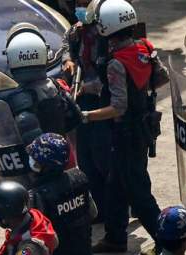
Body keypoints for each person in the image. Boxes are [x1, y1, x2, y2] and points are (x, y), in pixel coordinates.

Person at [82, 0, 168, 254]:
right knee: (115, 185)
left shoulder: (116, 63)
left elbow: (118, 106)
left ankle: (166, 243)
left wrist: (85, 116)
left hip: (125, 133)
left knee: (139, 195)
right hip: (143, 127)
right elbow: (160, 77)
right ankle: (116, 237)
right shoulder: (144, 49)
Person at [62, 0, 112, 217]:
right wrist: (68, 61)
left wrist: (87, 86)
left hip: (103, 103)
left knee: (104, 159)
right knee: (86, 159)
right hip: (82, 102)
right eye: (77, 3)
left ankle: (118, 207)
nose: (79, 8)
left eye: (85, 3)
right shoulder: (77, 31)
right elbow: (66, 44)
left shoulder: (106, 34)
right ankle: (101, 209)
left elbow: (113, 77)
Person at [2, 23, 82, 146]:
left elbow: (28, 129)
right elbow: (76, 115)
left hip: (44, 158)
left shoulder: (20, 96)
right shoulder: (55, 85)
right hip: (63, 148)